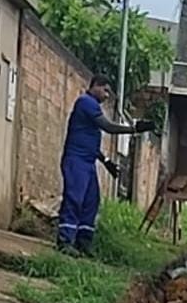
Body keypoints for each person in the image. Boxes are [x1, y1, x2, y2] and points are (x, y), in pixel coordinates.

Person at [58, 75, 154, 255]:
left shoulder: (92, 107)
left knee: (91, 202)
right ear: (95, 86)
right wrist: (134, 129)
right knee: (74, 199)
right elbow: (108, 127)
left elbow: (91, 143)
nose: (107, 95)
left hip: (88, 162)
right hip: (76, 161)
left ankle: (83, 243)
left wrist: (106, 161)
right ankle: (65, 240)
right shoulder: (86, 102)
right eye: (105, 90)